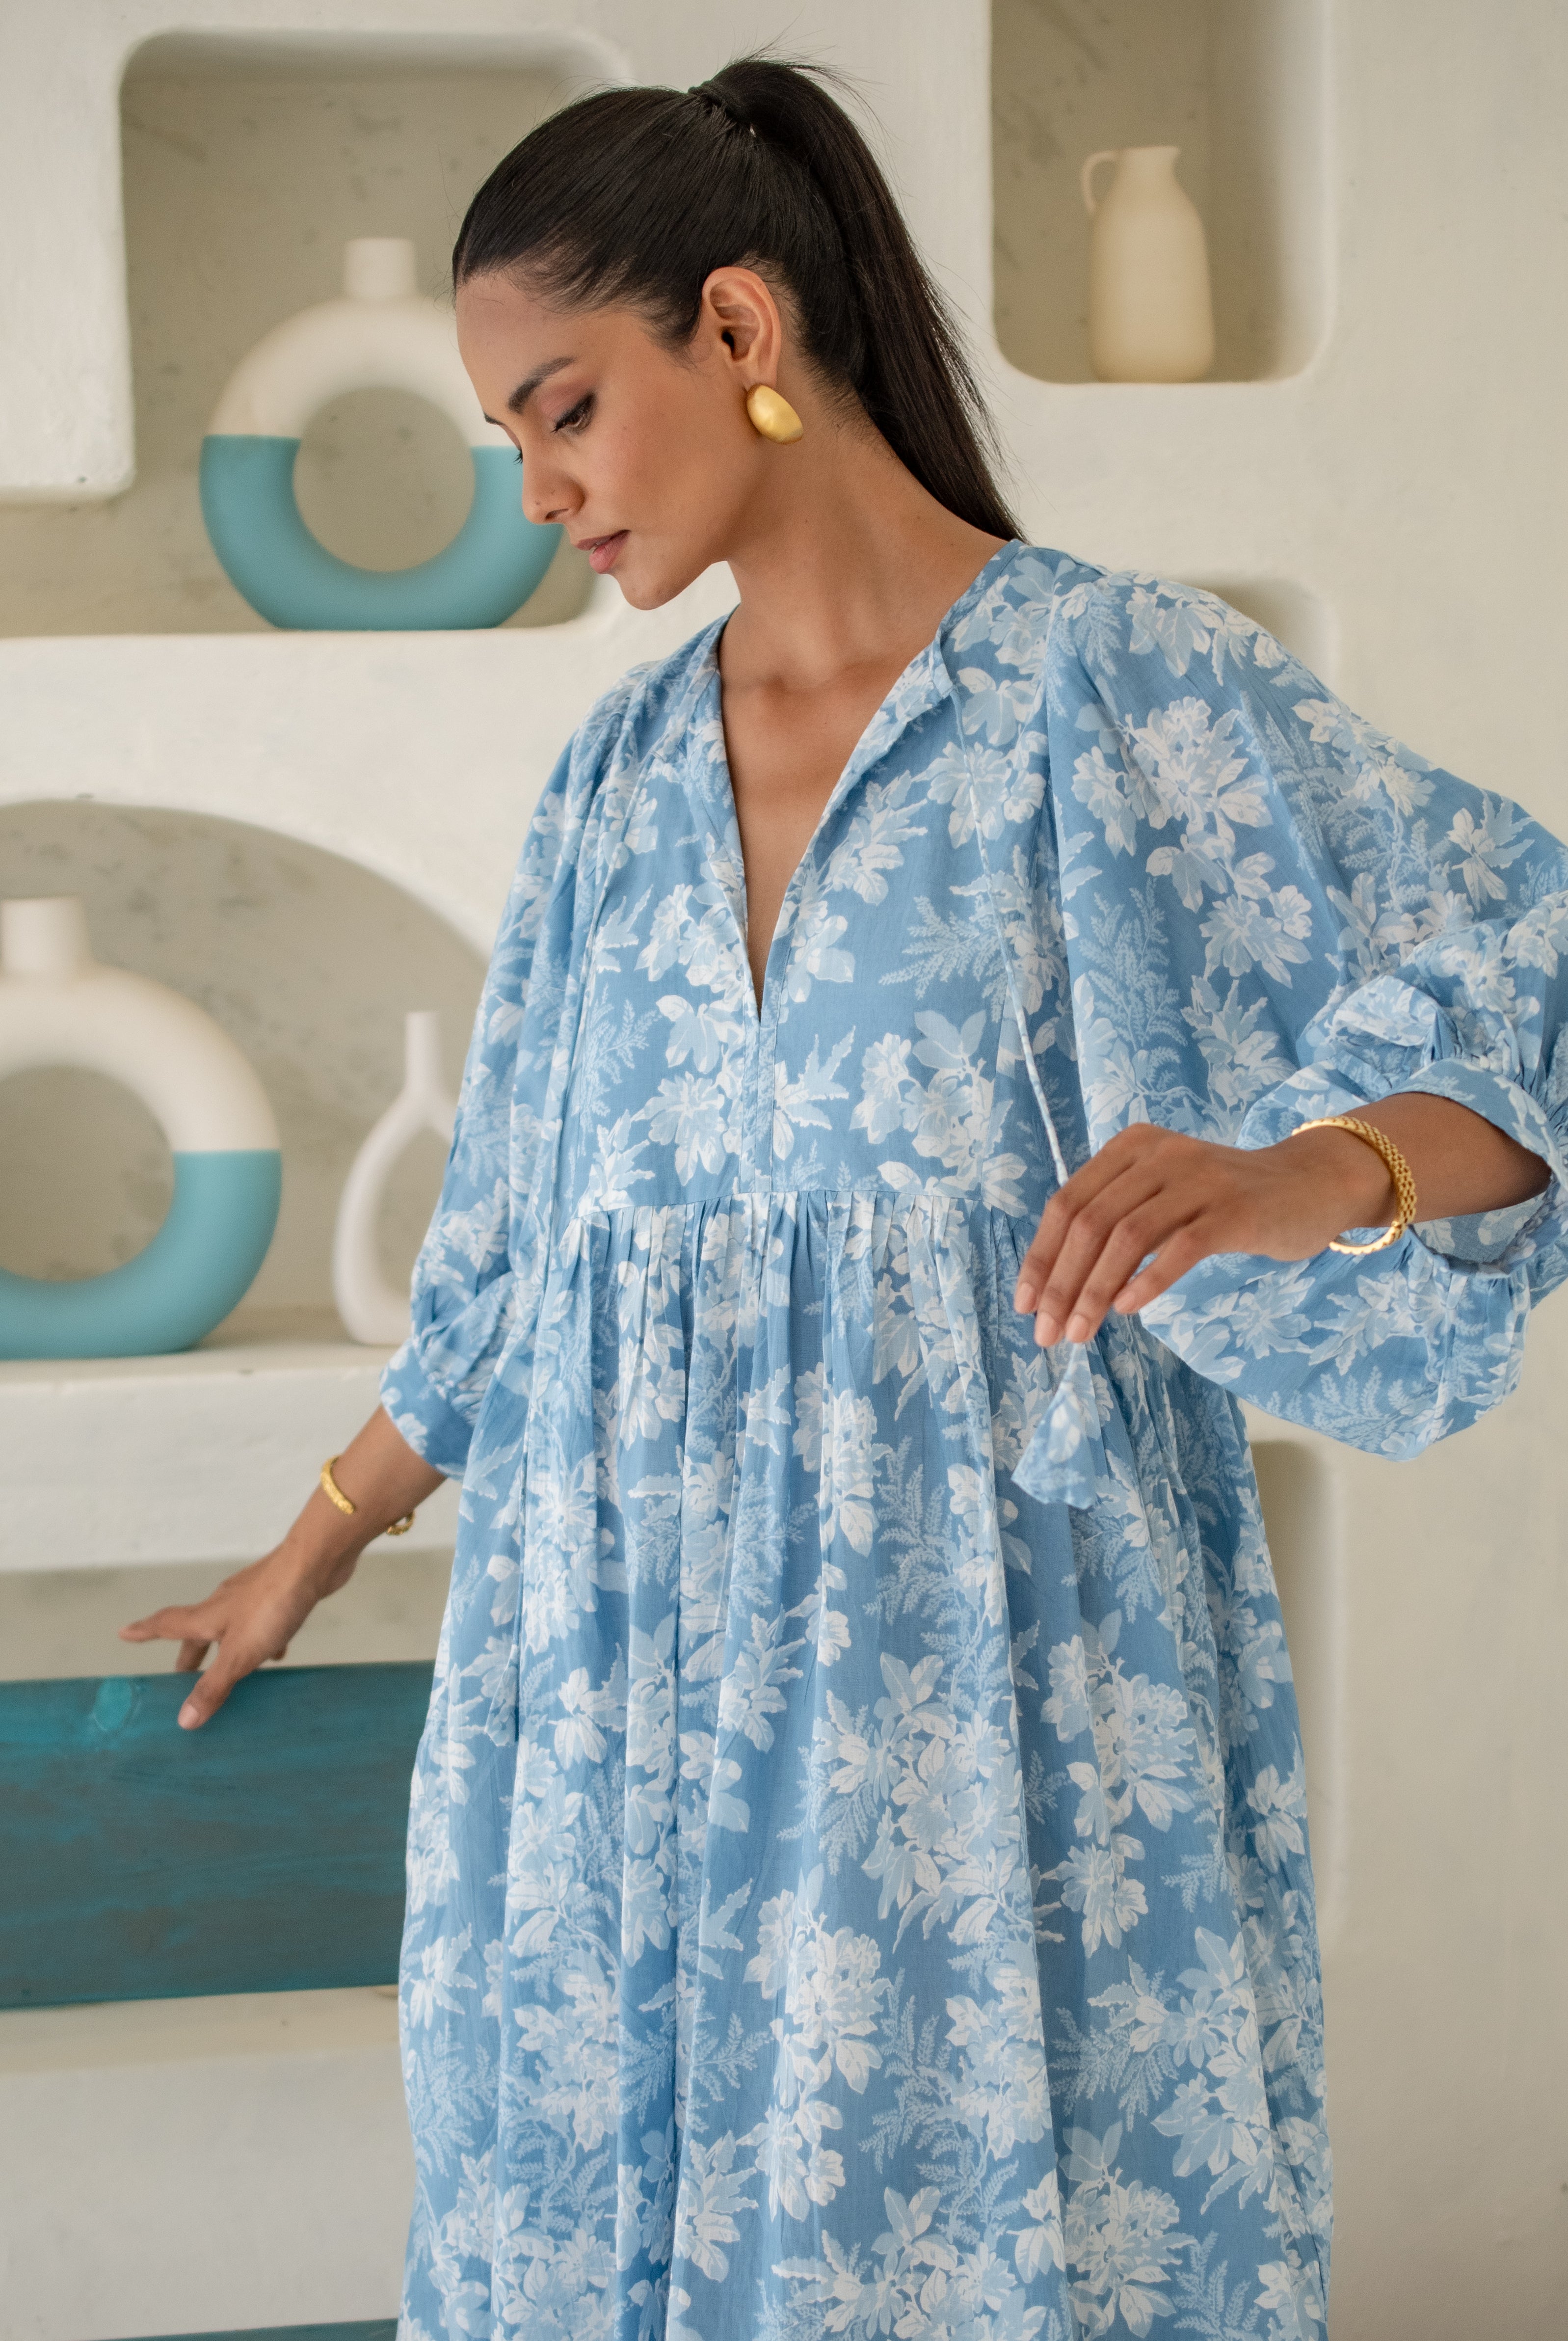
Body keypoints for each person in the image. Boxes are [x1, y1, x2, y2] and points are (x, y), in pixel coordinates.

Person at [122, 55, 1568, 2341]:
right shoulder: (614, 778)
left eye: (563, 410)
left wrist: (1310, 1167)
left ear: (736, 326)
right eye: (509, 438)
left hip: (986, 1703)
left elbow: (1528, 968)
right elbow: (518, 1251)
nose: (538, 489)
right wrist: (310, 1543)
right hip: (619, 1690)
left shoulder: (1110, 688)